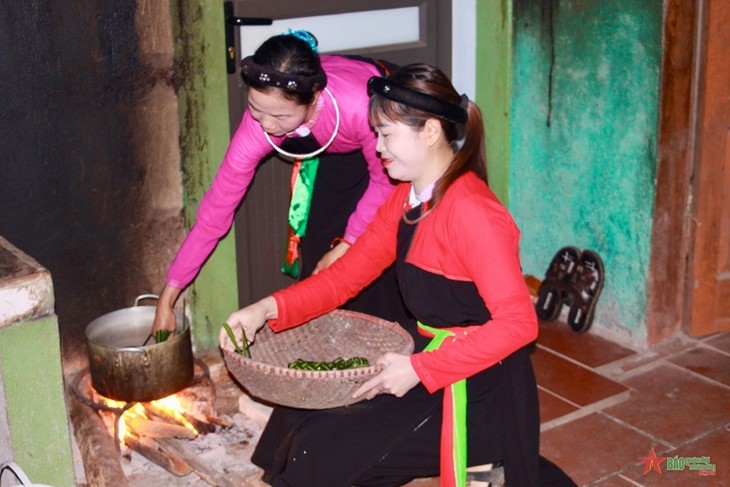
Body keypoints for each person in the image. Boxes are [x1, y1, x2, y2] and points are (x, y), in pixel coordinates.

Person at [222, 63, 559, 487]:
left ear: (431, 131)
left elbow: (519, 325)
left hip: (475, 387)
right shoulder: (406, 198)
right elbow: (345, 277)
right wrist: (266, 309)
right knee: (300, 416)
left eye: (386, 134)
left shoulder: (475, 214)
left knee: (322, 450)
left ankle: (491, 461)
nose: (377, 148)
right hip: (424, 358)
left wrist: (419, 369)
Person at [152, 31, 408, 336]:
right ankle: (333, 341)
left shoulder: (360, 107)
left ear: (312, 98)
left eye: (279, 116)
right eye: (256, 109)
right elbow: (215, 212)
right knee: (319, 246)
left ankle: (389, 339)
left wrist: (349, 243)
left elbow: (384, 183)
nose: (268, 127)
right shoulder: (259, 126)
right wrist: (168, 296)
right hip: (331, 143)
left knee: (377, 248)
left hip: (382, 133)